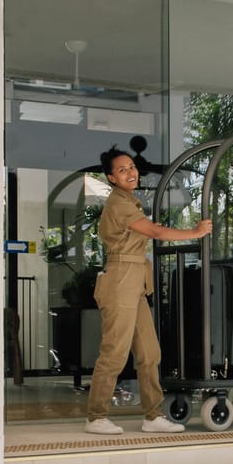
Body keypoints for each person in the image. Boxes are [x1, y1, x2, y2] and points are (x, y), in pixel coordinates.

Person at [85, 150, 213, 434]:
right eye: (122, 170)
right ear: (110, 178)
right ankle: (96, 417)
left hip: (134, 281)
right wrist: (195, 232)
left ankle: (153, 416)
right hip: (120, 280)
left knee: (149, 352)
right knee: (115, 353)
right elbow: (154, 232)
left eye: (132, 167)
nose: (131, 172)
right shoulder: (118, 204)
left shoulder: (130, 201)